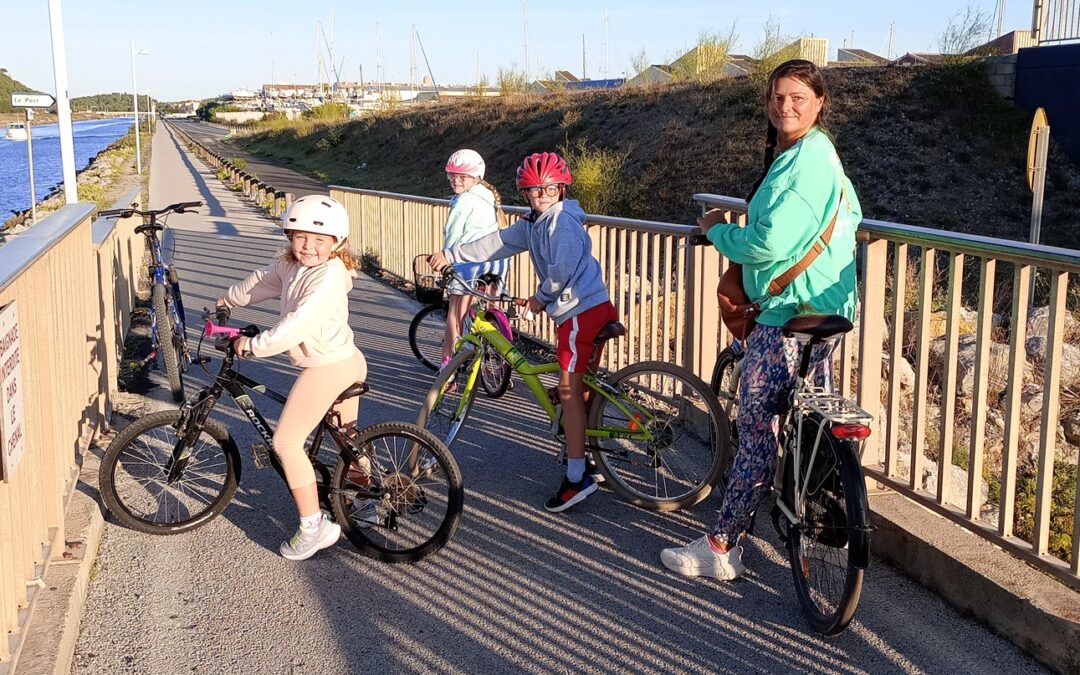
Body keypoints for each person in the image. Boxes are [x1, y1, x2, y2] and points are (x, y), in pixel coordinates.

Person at [660, 59, 861, 579]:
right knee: (807, 417)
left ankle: (722, 547)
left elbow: (769, 240)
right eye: (777, 98)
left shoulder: (805, 161)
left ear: (820, 103)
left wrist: (718, 232)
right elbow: (851, 217)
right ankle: (809, 505)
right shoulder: (819, 157)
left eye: (797, 97)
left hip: (788, 314)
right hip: (825, 308)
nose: (785, 106)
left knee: (757, 431)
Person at [427, 152, 616, 513]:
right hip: (583, 309)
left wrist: (539, 299)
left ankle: (578, 478)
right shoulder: (534, 222)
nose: (541, 195)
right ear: (525, 192)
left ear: (561, 188)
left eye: (548, 189)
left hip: (581, 311)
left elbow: (562, 273)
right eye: (533, 190)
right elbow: (496, 243)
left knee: (567, 389)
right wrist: (454, 255)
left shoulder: (561, 224)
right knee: (580, 388)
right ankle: (587, 456)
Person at [215, 194, 367, 561]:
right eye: (299, 237)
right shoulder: (290, 265)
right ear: (288, 236)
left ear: (336, 243)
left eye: (319, 240)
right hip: (344, 359)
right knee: (348, 440)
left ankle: (313, 526)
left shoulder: (328, 278)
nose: (308, 246)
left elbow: (294, 327)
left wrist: (252, 346)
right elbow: (261, 282)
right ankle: (368, 501)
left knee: (285, 443)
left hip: (328, 367)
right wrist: (227, 300)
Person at [440, 149, 509, 365]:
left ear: (476, 176)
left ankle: (448, 365)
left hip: (469, 263)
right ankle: (501, 360)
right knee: (492, 307)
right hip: (496, 261)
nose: (456, 180)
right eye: (452, 175)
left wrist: (445, 259)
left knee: (455, 313)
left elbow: (452, 234)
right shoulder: (488, 194)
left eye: (462, 176)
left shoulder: (464, 201)